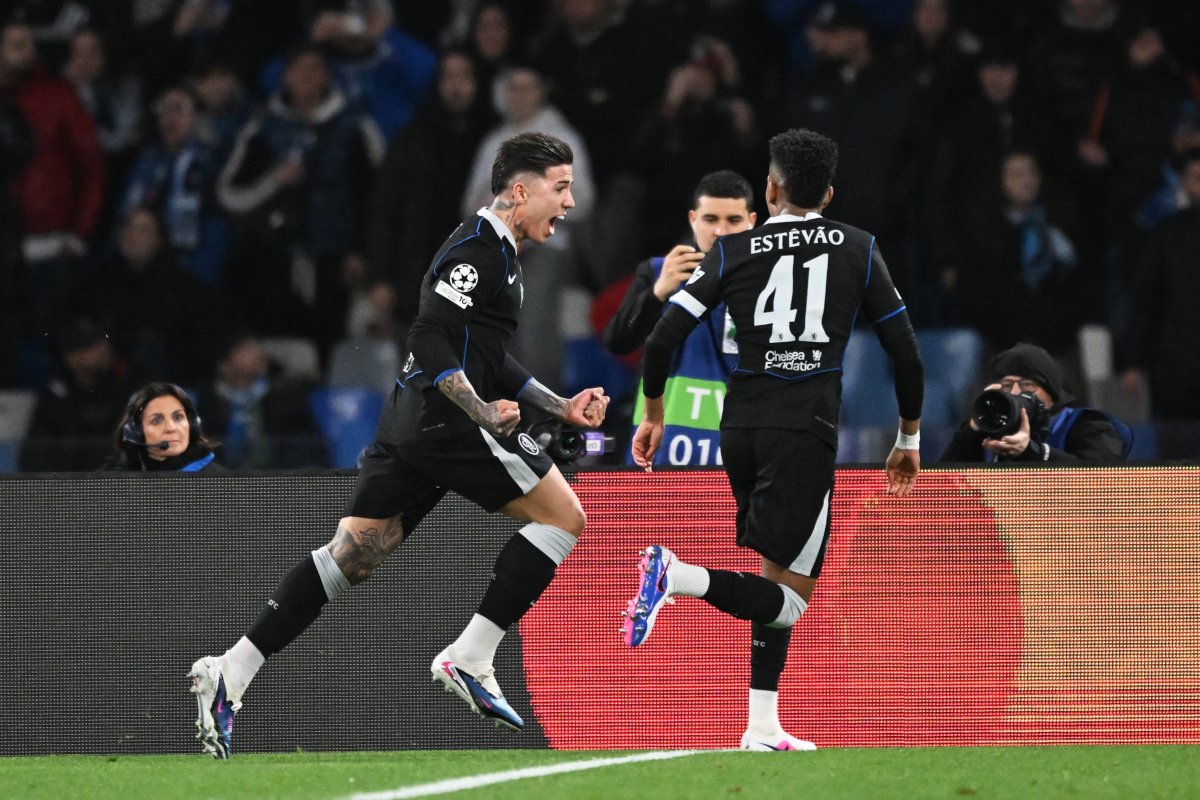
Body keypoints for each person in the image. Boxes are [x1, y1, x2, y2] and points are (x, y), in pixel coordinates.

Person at [188, 132, 610, 758]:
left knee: (350, 557)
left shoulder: (499, 250)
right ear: (521, 192)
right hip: (449, 424)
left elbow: (488, 355)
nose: (570, 202)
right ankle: (471, 657)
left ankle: (231, 669)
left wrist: (560, 406)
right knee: (564, 518)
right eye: (561, 187)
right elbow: (430, 336)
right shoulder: (476, 252)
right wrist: (482, 412)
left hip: (412, 420)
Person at [623, 129, 923, 751]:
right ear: (830, 193)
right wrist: (909, 438)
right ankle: (677, 575)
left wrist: (652, 413)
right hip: (805, 430)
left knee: (775, 575)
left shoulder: (733, 250)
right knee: (790, 600)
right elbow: (905, 353)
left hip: (740, 429)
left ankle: (762, 723)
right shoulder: (859, 247)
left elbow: (660, 339)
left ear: (770, 189)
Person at [602, 170, 757, 465]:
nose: (721, 231)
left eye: (733, 220)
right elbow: (617, 341)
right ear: (693, 219)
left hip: (734, 460)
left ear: (751, 222)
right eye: (710, 219)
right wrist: (658, 293)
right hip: (657, 454)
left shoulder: (767, 285)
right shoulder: (659, 271)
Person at [941, 343, 1126, 462]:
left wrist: (1032, 452)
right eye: (1006, 386)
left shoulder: (1086, 424)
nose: (1015, 393)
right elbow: (942, 489)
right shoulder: (992, 432)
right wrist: (974, 427)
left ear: (1051, 395)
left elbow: (1099, 481)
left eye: (1027, 385)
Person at [121, 85, 228, 286]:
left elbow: (216, 227)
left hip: (188, 276)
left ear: (198, 117)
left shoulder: (211, 164)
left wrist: (197, 281)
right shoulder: (146, 162)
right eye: (164, 109)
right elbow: (123, 218)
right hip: (138, 273)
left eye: (180, 109)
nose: (170, 118)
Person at [103, 382, 223, 472]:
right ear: (135, 432)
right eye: (157, 420)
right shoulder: (111, 478)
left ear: (192, 425)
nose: (171, 428)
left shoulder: (218, 480)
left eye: (178, 417)